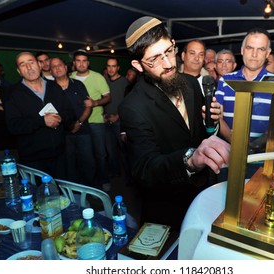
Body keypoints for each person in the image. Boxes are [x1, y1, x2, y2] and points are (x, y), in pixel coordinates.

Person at [119, 16, 230, 230]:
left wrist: (213, 122)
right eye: (155, 59)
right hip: (167, 206)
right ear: (138, 65)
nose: (169, 64)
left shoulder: (190, 83)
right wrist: (190, 159)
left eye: (169, 51)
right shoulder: (132, 106)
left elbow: (203, 137)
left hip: (204, 193)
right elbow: (146, 168)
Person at [5, 52, 74, 178]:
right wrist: (42, 121)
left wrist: (61, 118)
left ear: (39, 65)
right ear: (19, 71)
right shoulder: (13, 93)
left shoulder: (55, 87)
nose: (29, 67)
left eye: (31, 62)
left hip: (60, 154)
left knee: (61, 195)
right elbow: (13, 125)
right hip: (33, 159)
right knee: (40, 196)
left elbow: (70, 113)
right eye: (23, 64)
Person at [215, 28, 274, 145]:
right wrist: (234, 142)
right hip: (228, 152)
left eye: (261, 49)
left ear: (267, 53)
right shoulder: (225, 80)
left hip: (264, 156)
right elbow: (217, 117)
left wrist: (256, 146)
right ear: (242, 50)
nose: (254, 54)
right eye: (250, 48)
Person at [50, 57, 95, 185]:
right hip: (62, 133)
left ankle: (90, 188)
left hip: (83, 130)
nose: (57, 68)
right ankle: (72, 192)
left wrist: (79, 123)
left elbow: (88, 105)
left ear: (65, 67)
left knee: (87, 161)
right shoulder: (49, 89)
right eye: (53, 66)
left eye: (59, 65)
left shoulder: (78, 84)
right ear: (51, 71)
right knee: (68, 164)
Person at [70, 49, 111, 190]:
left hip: (95, 121)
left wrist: (95, 103)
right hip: (78, 123)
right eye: (78, 61)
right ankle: (89, 183)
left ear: (88, 63)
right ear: (74, 63)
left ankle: (104, 179)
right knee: (84, 155)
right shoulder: (70, 77)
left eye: (84, 61)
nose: (81, 64)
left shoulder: (98, 77)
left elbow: (108, 97)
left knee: (100, 153)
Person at [104, 57, 129, 179]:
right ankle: (115, 173)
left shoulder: (124, 82)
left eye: (113, 66)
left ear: (118, 68)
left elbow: (128, 103)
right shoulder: (105, 82)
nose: (111, 69)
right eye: (109, 66)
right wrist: (104, 114)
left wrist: (118, 116)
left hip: (120, 122)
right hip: (107, 121)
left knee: (124, 151)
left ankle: (129, 176)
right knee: (110, 150)